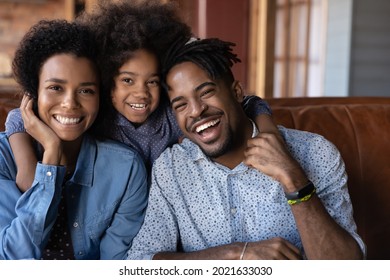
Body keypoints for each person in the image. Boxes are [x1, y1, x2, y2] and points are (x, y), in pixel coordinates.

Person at [126, 37, 366, 260]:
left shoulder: (315, 152)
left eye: (206, 92)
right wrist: (232, 255)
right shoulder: (171, 168)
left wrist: (293, 178)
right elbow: (142, 261)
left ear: (237, 92)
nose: (196, 110)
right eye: (181, 105)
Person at [6, 0, 278, 188]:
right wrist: (26, 164)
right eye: (127, 80)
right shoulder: (98, 113)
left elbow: (246, 103)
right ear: (107, 81)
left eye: (153, 82)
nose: (141, 93)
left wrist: (269, 133)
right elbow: (21, 116)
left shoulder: (172, 114)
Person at [0, 19, 148, 260]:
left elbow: (116, 266)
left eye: (86, 90)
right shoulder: (4, 158)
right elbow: (13, 259)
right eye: (56, 88)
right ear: (33, 93)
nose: (70, 103)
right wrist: (50, 159)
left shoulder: (125, 170)